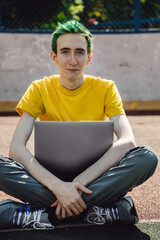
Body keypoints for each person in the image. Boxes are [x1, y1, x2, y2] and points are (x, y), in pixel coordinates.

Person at [0, 20, 158, 229]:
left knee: (146, 156)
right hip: (49, 179)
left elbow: (128, 141)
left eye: (79, 52)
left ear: (89, 57)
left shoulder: (106, 88)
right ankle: (95, 211)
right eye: (65, 51)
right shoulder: (39, 89)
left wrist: (78, 184)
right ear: (54, 57)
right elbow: (16, 148)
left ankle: (45, 214)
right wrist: (58, 186)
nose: (72, 60)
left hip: (94, 180)